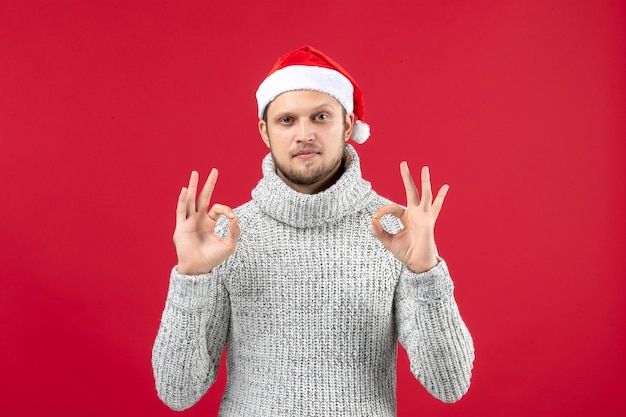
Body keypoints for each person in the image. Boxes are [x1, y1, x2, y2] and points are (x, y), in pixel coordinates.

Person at [152, 45, 474, 416]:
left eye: (320, 117)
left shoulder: (396, 233)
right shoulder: (223, 237)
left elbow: (450, 384)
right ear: (265, 131)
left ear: (348, 125)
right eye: (287, 120)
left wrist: (426, 273)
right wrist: (191, 278)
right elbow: (177, 391)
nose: (304, 134)